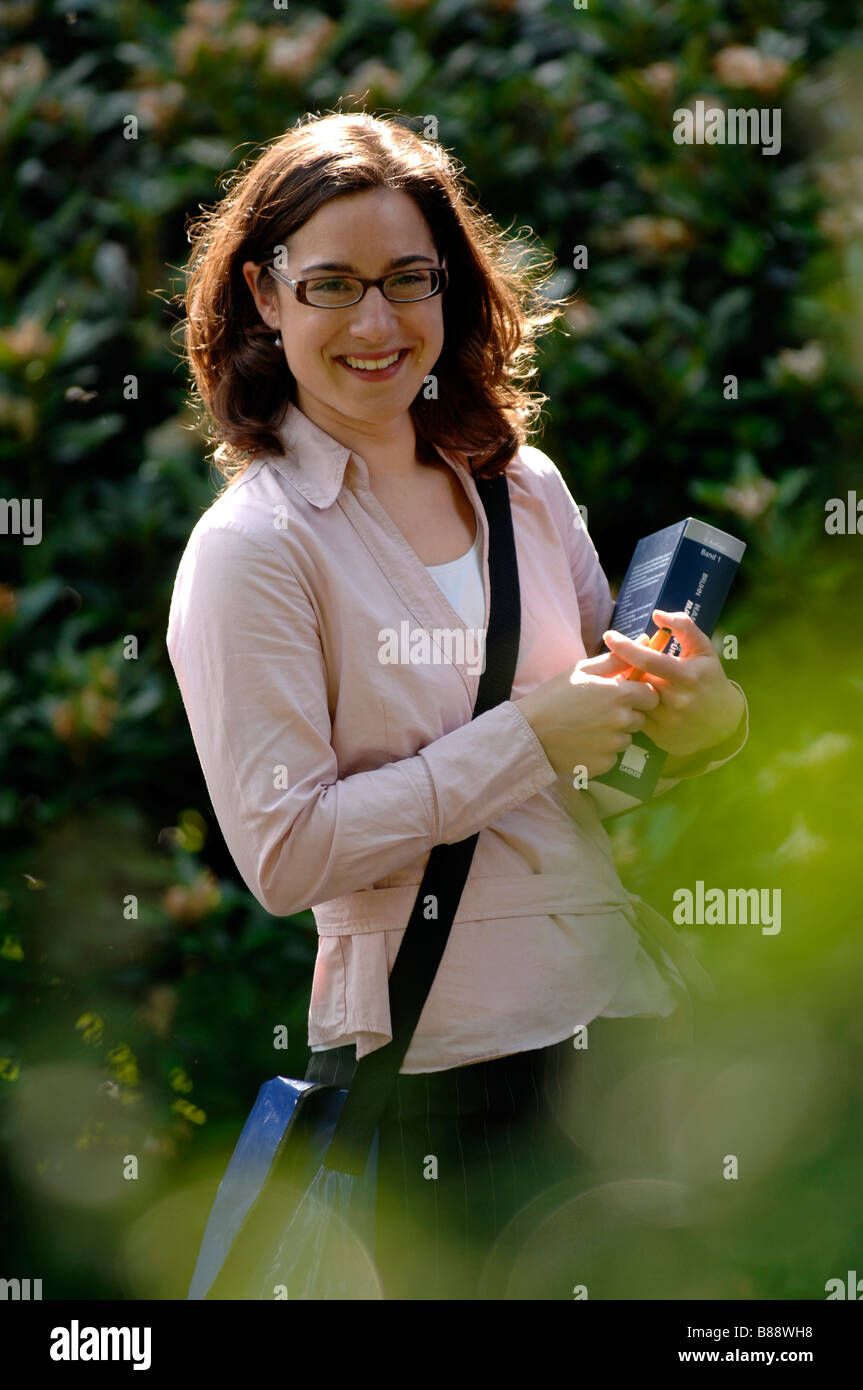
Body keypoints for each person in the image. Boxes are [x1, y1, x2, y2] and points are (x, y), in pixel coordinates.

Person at [166, 110, 748, 1300]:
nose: (376, 323)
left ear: (451, 286)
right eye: (332, 284)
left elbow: (608, 740)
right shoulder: (253, 550)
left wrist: (702, 718)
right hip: (445, 1075)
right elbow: (285, 855)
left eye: (407, 279)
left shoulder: (521, 486)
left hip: (620, 1041)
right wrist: (527, 737)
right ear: (264, 298)